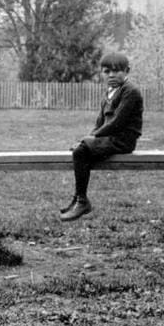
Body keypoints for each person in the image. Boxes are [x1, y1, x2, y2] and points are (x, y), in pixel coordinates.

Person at [60, 52, 144, 222]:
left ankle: (82, 201)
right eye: (106, 72)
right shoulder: (109, 93)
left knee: (81, 152)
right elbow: (100, 123)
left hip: (123, 141)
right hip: (109, 138)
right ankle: (78, 198)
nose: (111, 75)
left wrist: (88, 140)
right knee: (81, 148)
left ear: (127, 71)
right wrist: (88, 137)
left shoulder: (130, 91)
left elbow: (116, 122)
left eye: (117, 71)